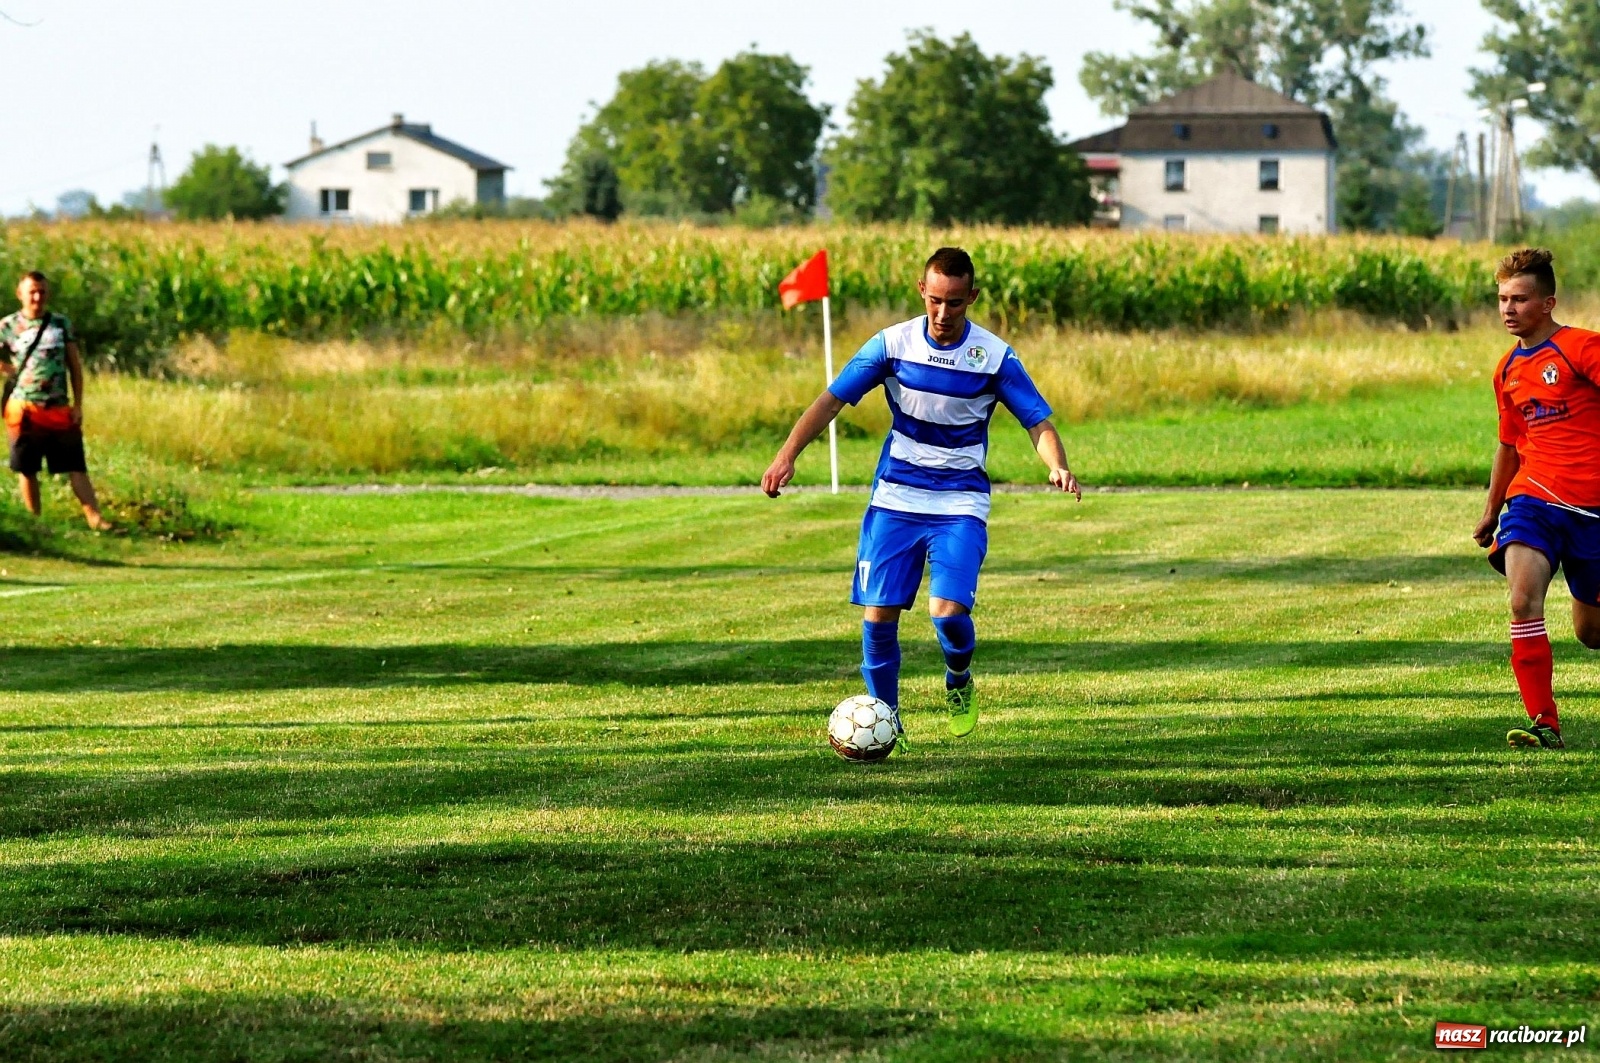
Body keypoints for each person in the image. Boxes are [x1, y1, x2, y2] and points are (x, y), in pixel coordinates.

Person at [762, 247, 1081, 744]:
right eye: (935, 300)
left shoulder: (994, 357)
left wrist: (1057, 465)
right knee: (878, 616)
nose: (943, 312)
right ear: (921, 292)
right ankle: (888, 722)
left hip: (960, 501)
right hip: (896, 497)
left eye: (954, 302)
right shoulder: (892, 345)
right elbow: (831, 401)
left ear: (972, 298)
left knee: (947, 615)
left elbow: (1037, 422)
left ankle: (958, 678)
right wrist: (787, 455)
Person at [1472, 248, 1600, 750]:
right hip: (1533, 500)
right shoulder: (1506, 369)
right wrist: (1491, 509)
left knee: (1591, 633)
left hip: (1591, 509)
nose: (1509, 308)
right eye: (1503, 298)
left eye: (1520, 299)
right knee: (1523, 601)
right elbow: (1509, 445)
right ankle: (1544, 723)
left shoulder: (1581, 348)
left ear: (1548, 303)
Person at [0, 271, 110, 530]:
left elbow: (75, 366)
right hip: (24, 408)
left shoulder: (60, 324)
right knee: (27, 468)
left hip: (59, 407)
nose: (37, 297)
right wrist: (6, 369)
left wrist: (78, 405)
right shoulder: (7, 326)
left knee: (76, 465)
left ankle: (95, 519)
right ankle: (35, 523)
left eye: (42, 292)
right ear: (20, 294)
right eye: (32, 292)